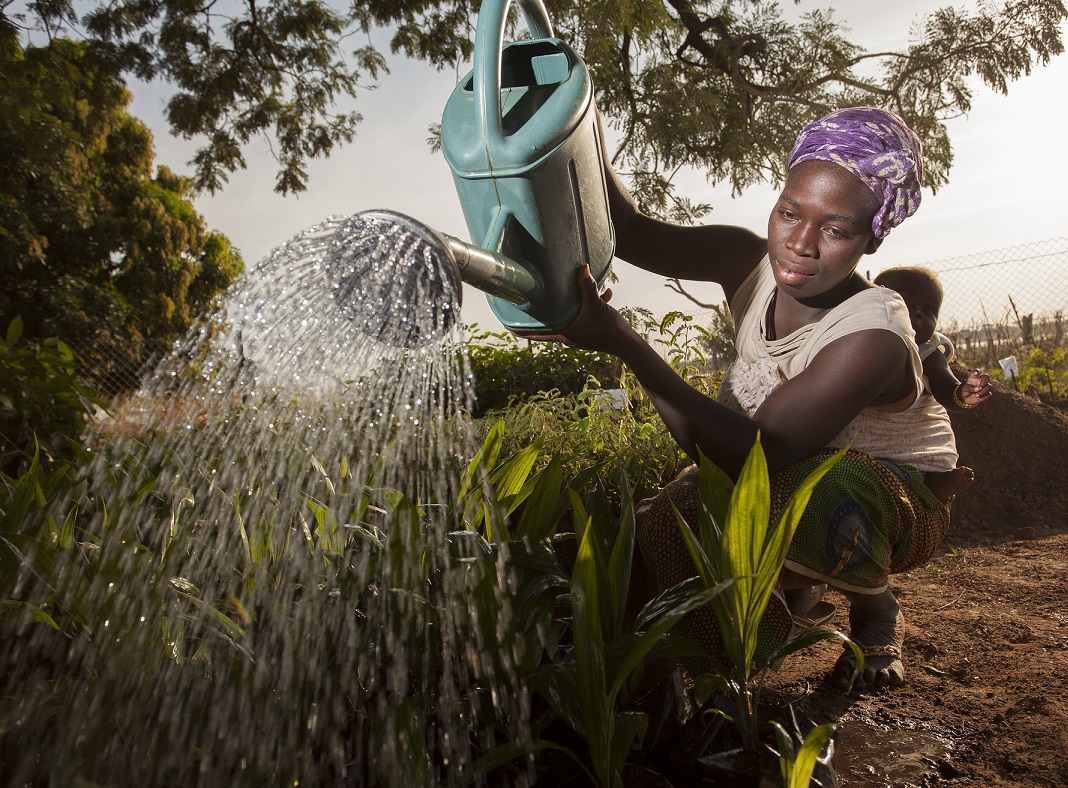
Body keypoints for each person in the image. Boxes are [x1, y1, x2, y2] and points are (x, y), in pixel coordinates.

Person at [523, 106, 955, 692]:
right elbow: (627, 230)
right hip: (793, 465)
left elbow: (754, 455)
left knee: (773, 501)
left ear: (872, 236)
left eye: (836, 229)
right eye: (789, 212)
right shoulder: (746, 260)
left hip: (893, 495)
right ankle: (726, 643)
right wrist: (578, 124)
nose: (799, 244)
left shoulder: (872, 335)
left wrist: (624, 342)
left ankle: (829, 623)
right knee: (660, 526)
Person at [872, 266, 993, 502]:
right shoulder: (854, 341)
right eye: (905, 305)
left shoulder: (927, 352)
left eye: (928, 310)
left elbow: (946, 388)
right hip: (865, 437)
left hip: (915, 436)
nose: (917, 315)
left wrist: (963, 394)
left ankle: (935, 481)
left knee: (931, 454)